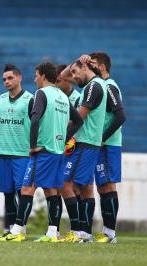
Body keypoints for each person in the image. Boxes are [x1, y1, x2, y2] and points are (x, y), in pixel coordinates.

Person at [7, 62, 83, 242]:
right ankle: (52, 233)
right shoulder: (63, 96)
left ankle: (17, 232)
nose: (34, 79)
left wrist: (33, 146)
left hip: (43, 150)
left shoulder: (41, 93)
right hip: (58, 151)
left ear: (42, 75)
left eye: (36, 75)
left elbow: (34, 120)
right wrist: (64, 138)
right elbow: (79, 120)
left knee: (27, 188)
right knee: (51, 191)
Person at [60, 57, 107, 243]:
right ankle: (85, 234)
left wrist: (61, 139)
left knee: (63, 180)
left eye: (75, 72)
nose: (72, 77)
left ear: (85, 67)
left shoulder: (94, 87)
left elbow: (79, 119)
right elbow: (61, 75)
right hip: (88, 143)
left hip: (85, 142)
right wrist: (75, 62)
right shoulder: (92, 85)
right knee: (85, 187)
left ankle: (79, 231)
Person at [0, 64, 34, 241]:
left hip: (22, 154)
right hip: (3, 152)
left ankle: (20, 227)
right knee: (7, 193)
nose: (6, 82)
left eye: (10, 78)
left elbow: (36, 125)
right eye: (4, 79)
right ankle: (10, 228)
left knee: (22, 192)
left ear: (19, 77)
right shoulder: (0, 99)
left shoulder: (30, 99)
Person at [87, 52, 126, 243]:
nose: (90, 66)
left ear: (101, 67)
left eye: (93, 63)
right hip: (102, 145)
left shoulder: (110, 86)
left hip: (108, 144)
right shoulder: (100, 86)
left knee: (109, 186)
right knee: (103, 187)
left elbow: (120, 116)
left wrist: (102, 138)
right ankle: (106, 232)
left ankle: (111, 234)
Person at [55, 64, 82, 241]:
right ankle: (55, 230)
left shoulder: (78, 99)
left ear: (67, 80)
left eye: (58, 81)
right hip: (60, 147)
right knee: (58, 187)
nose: (56, 84)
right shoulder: (56, 97)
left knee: (73, 186)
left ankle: (79, 230)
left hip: (76, 146)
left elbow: (79, 122)